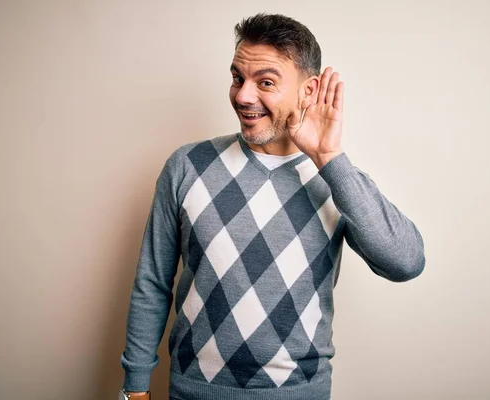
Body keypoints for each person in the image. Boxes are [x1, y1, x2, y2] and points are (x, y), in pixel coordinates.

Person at [119, 13, 425, 400]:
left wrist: (330, 158)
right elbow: (153, 282)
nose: (244, 96)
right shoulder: (187, 165)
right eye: (237, 78)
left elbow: (406, 262)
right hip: (191, 391)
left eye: (265, 82)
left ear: (308, 91)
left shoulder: (336, 180)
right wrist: (135, 388)